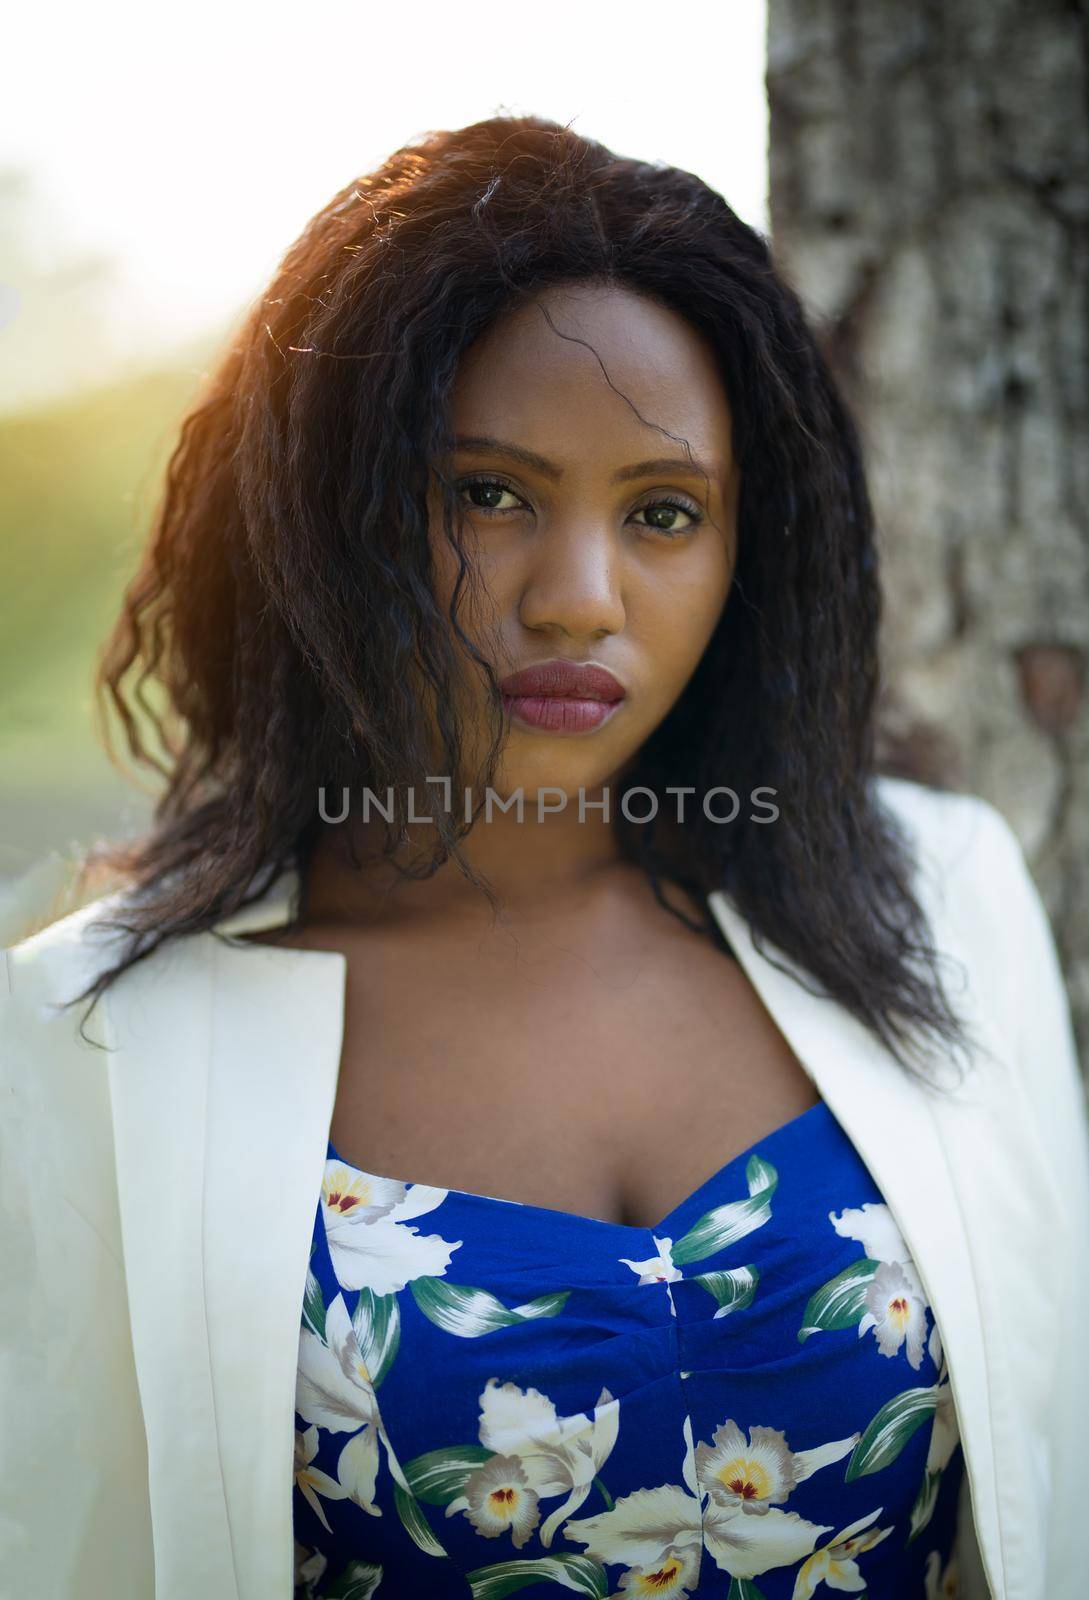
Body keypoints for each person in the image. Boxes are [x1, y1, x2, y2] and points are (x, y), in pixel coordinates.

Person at [2, 115, 1086, 1600]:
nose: (578, 599)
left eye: (661, 513)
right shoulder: (96, 1039)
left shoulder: (944, 901)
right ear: (328, 515)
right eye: (488, 495)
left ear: (744, 550)